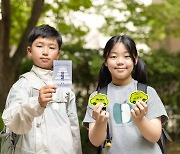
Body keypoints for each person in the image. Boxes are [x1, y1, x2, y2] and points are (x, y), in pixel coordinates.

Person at [2, 24, 82, 154]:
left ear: (58, 54)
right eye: (39, 46)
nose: (45, 52)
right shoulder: (24, 83)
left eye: (51, 47)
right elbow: (12, 120)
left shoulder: (65, 86)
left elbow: (73, 125)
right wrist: (37, 102)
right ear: (29, 51)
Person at [83, 35, 168, 154]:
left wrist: (139, 120)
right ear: (105, 61)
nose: (120, 61)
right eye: (113, 56)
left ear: (135, 59)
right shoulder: (97, 97)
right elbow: (96, 141)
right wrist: (100, 122)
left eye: (127, 56)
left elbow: (154, 136)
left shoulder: (148, 92)